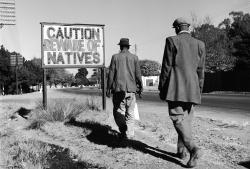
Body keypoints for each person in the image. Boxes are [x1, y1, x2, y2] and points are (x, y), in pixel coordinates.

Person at [158, 17, 206, 168]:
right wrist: (199, 89)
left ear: (177, 28)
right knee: (186, 121)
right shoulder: (200, 44)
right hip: (192, 88)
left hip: (176, 87)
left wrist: (162, 87)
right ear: (188, 27)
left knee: (178, 118)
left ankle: (193, 149)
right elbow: (201, 70)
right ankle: (181, 151)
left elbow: (166, 67)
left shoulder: (172, 41)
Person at [107, 38, 143, 140]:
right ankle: (130, 134)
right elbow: (138, 74)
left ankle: (123, 129)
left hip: (119, 89)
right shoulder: (134, 58)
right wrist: (140, 87)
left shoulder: (115, 57)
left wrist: (108, 88)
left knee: (118, 111)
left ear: (120, 46)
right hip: (131, 89)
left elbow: (111, 74)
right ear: (128, 46)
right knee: (130, 112)